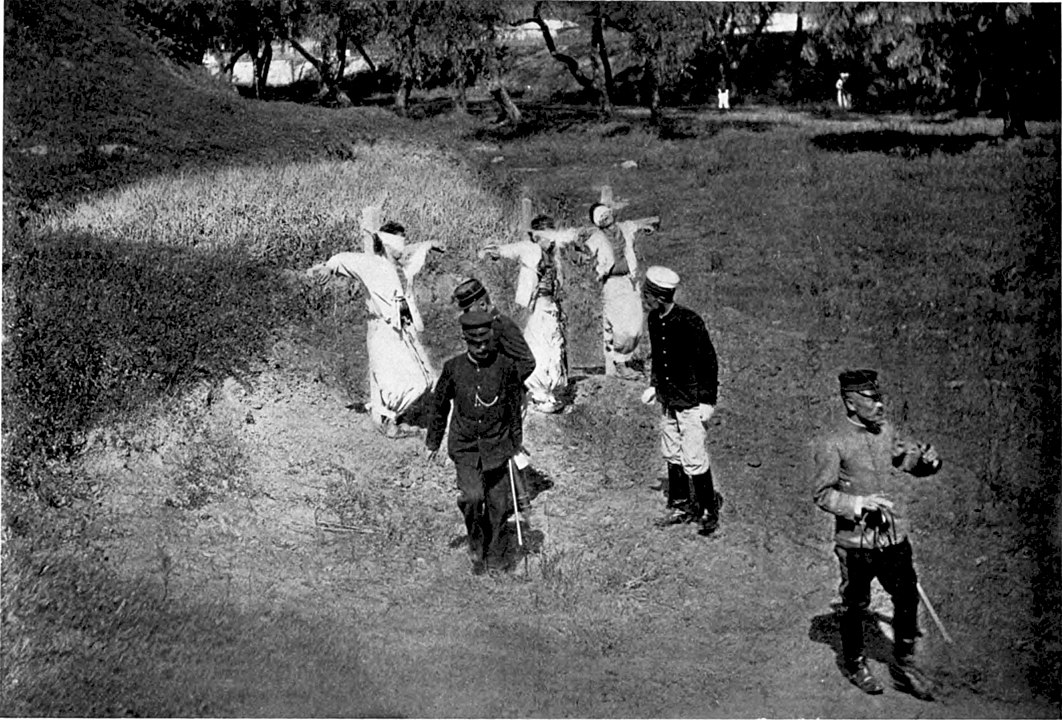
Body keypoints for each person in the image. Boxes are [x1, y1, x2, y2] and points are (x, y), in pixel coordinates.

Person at [811, 369, 943, 700]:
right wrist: (858, 503)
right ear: (851, 403)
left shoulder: (886, 432)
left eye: (879, 397)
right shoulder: (833, 442)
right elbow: (822, 494)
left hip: (892, 535)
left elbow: (907, 458)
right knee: (855, 604)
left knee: (907, 596)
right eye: (872, 399)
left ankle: (903, 661)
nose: (880, 405)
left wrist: (928, 462)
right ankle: (855, 663)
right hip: (855, 544)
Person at [310, 214, 440, 438]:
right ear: (389, 244)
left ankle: (396, 417)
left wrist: (429, 245)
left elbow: (415, 254)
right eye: (400, 242)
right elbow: (344, 259)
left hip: (403, 329)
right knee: (397, 378)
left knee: (424, 378)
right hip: (383, 329)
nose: (403, 248)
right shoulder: (372, 265)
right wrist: (328, 267)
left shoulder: (402, 268)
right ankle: (389, 421)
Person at [426, 310, 526, 575]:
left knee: (499, 504)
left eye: (486, 341)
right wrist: (433, 442)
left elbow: (514, 408)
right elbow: (438, 407)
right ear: (465, 340)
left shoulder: (505, 367)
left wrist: (516, 442)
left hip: (497, 446)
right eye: (475, 343)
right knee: (472, 497)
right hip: (466, 447)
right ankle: (476, 542)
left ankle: (494, 557)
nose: (482, 348)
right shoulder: (453, 368)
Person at [639, 266, 721, 537]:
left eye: (647, 295)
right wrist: (654, 385)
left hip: (691, 401)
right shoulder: (653, 319)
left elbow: (708, 362)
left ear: (659, 297)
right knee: (672, 451)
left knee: (694, 455)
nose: (644, 299)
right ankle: (681, 504)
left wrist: (708, 400)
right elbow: (658, 357)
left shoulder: (689, 321)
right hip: (668, 399)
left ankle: (708, 509)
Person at [480, 214, 579, 413]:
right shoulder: (530, 249)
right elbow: (508, 250)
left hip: (551, 307)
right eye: (544, 235)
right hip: (534, 308)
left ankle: (552, 389)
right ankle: (537, 390)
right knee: (537, 345)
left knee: (553, 346)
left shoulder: (554, 254)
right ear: (535, 237)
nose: (549, 239)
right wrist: (492, 251)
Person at [452, 278, 536, 508]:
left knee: (505, 446)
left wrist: (503, 383)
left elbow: (527, 362)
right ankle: (515, 498)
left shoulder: (502, 325)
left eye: (469, 309)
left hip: (509, 397)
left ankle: (518, 499)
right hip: (494, 398)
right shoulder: (486, 325)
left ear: (482, 303)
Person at [582, 202, 647, 380]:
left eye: (606, 213)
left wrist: (648, 226)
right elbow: (583, 253)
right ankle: (620, 364)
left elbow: (642, 226)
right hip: (612, 283)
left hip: (630, 280)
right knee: (619, 325)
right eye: (600, 217)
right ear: (597, 223)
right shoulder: (596, 237)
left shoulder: (625, 228)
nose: (605, 217)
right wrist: (579, 248)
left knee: (636, 324)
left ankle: (626, 358)